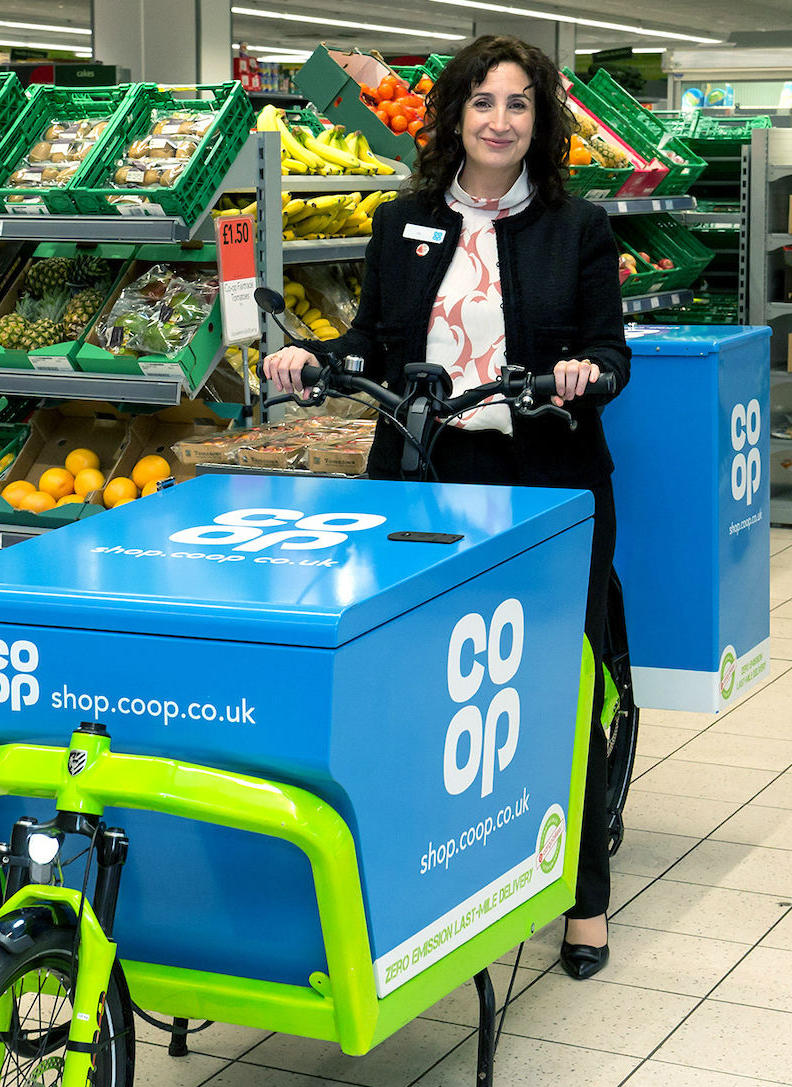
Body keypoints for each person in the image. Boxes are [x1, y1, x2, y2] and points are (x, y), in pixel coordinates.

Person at [264, 34, 631, 981]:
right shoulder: (405, 221)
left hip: (546, 485)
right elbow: (374, 341)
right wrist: (314, 357)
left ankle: (583, 893)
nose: (500, 121)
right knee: (427, 684)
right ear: (453, 117)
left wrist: (585, 374)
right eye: (482, 103)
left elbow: (612, 354)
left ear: (538, 121)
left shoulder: (577, 226)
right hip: (423, 477)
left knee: (565, 679)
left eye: (518, 104)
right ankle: (440, 874)